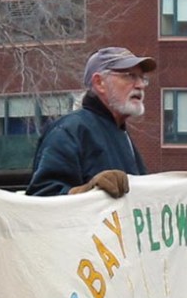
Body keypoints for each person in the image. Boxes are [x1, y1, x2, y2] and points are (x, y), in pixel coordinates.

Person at [26, 46, 156, 197]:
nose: (140, 85)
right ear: (99, 83)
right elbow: (42, 197)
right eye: (130, 76)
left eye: (142, 78)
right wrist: (87, 190)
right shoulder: (69, 131)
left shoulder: (120, 133)